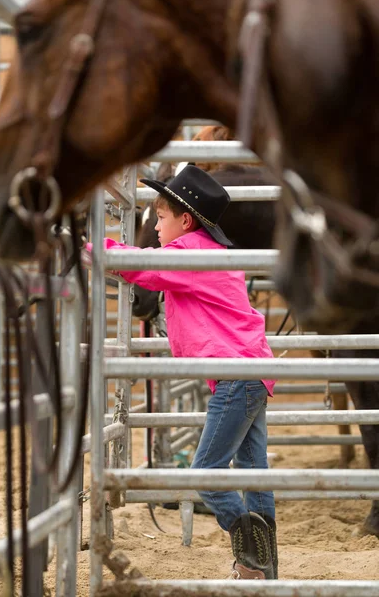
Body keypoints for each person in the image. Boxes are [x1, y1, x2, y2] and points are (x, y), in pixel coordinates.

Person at [85, 164, 278, 580]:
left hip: (236, 376)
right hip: (252, 372)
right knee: (252, 471)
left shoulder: (189, 254)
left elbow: (138, 266)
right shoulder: (211, 253)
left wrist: (89, 248)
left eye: (160, 217)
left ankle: (252, 553)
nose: (155, 226)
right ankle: (262, 569)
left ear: (185, 221)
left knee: (205, 476)